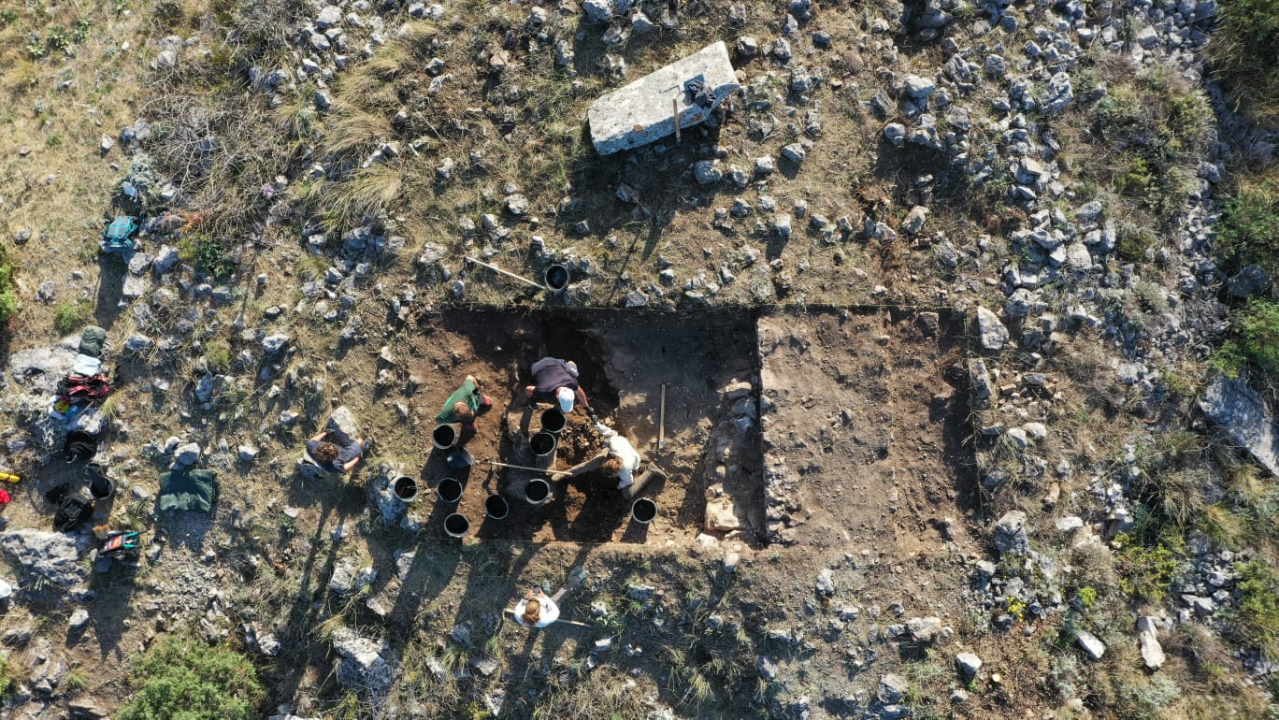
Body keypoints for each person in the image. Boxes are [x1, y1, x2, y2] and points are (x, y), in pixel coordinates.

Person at [550, 421, 665, 499]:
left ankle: (650, 471)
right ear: (608, 460)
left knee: (628, 494)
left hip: (633, 462)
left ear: (617, 472)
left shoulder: (624, 471)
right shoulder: (614, 446)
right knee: (589, 465)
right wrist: (597, 424)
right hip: (618, 453)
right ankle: (565, 474)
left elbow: (628, 481)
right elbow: (610, 433)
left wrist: (620, 485)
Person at [512, 566, 587, 629]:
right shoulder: (545, 620)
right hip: (550, 607)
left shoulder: (518, 614)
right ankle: (575, 581)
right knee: (559, 596)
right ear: (540, 609)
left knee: (536, 589)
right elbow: (555, 611)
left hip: (542, 604)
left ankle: (547, 592)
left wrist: (527, 597)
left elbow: (522, 602)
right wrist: (544, 597)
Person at [523, 357, 589, 413]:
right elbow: (528, 389)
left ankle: (571, 362)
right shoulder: (544, 392)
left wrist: (587, 407)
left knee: (574, 373)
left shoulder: (571, 381)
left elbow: (579, 391)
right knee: (573, 374)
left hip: (554, 362)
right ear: (557, 397)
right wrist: (532, 399)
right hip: (537, 367)